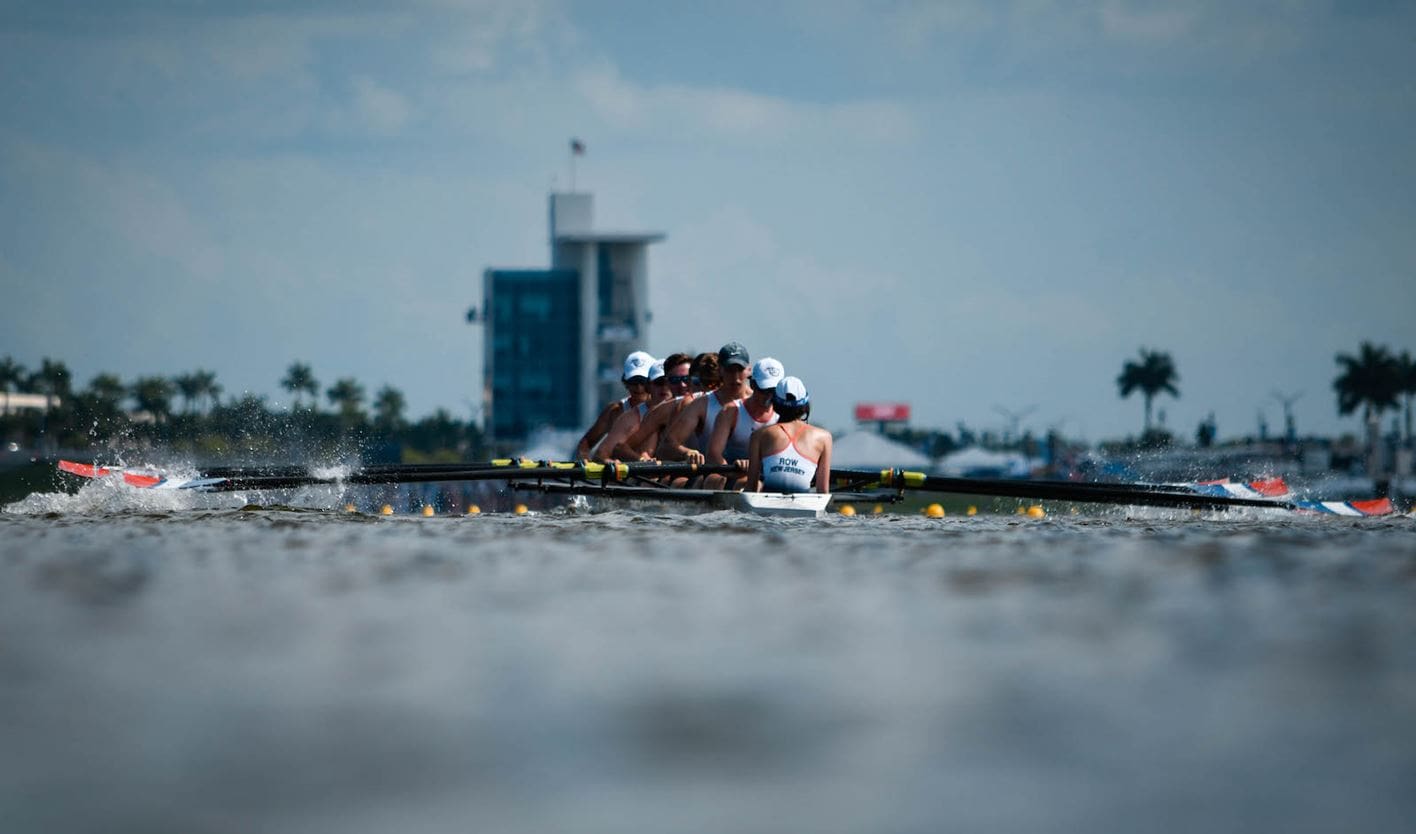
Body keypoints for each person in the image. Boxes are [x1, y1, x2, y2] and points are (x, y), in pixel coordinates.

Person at [656, 342, 751, 464]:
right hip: (711, 475)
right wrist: (686, 453)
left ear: (749, 370)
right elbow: (665, 449)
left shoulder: (760, 403)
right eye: (730, 370)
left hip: (751, 476)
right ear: (720, 370)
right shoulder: (701, 405)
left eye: (740, 370)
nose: (735, 377)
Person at [703, 357, 785, 488]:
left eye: (773, 391)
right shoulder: (731, 411)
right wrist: (733, 471)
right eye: (764, 390)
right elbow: (713, 455)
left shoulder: (782, 416)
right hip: (729, 475)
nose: (769, 396)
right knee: (715, 480)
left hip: (765, 477)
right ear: (752, 385)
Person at [747, 376, 832, 494]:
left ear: (775, 404)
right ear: (805, 405)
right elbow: (823, 492)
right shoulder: (824, 437)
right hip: (804, 507)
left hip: (766, 506)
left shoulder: (758, 435)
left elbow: (750, 489)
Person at [619, 352, 705, 460]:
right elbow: (623, 448)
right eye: (674, 380)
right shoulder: (661, 411)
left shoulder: (721, 403)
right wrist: (642, 458)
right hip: (676, 473)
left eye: (686, 379)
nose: (682, 385)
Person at [593, 356, 680, 462]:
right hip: (644, 476)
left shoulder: (689, 406)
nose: (665, 387)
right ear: (648, 386)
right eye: (659, 382)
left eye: (670, 382)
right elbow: (601, 455)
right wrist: (640, 459)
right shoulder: (629, 416)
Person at [575, 350, 654, 459]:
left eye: (643, 381)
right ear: (626, 383)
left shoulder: (666, 408)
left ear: (652, 382)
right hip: (620, 473)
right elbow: (586, 444)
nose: (639, 387)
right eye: (633, 381)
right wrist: (584, 460)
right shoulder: (614, 411)